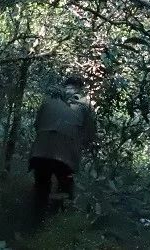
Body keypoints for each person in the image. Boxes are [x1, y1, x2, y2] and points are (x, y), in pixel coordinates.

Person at [29, 75, 96, 218]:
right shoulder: (85, 104)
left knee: (41, 190)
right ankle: (55, 227)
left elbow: (37, 124)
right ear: (80, 88)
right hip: (66, 156)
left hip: (40, 151)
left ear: (65, 85)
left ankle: (35, 222)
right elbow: (90, 135)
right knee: (65, 193)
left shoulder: (50, 98)